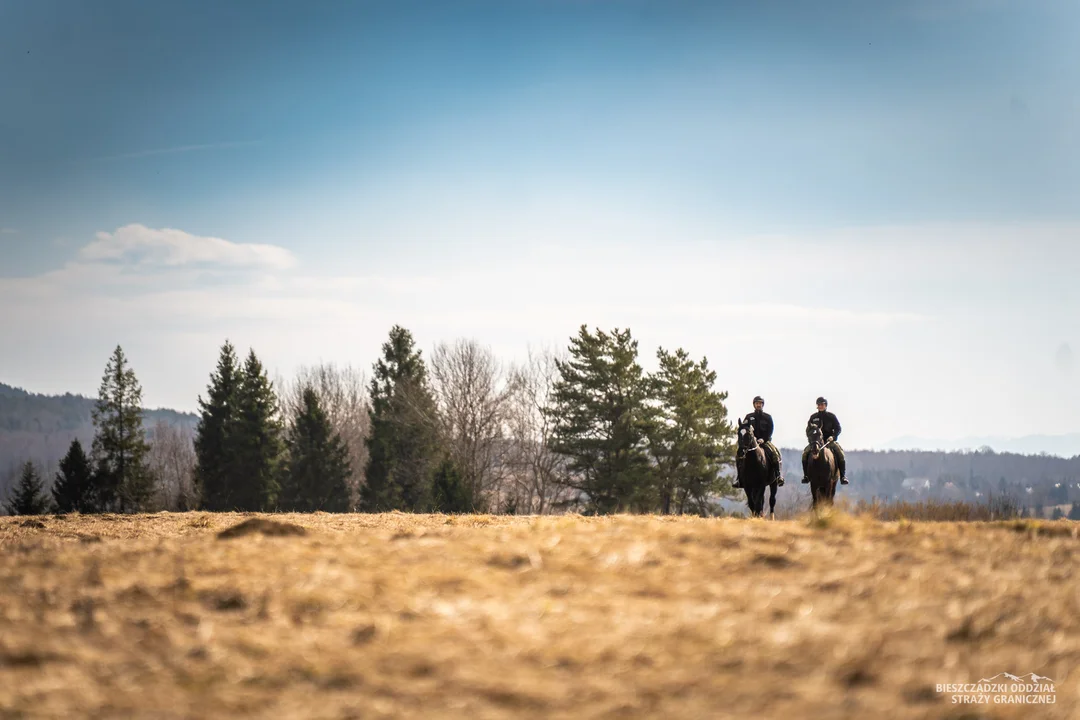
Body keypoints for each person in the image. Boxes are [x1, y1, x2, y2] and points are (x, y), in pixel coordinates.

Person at [733, 396, 784, 488]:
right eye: (757, 403)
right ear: (754, 405)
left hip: (765, 441)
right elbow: (745, 428)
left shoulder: (767, 417)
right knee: (739, 456)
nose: (758, 405)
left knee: (775, 454)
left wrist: (764, 439)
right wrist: (751, 439)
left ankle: (778, 475)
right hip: (752, 443)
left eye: (760, 403)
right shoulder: (749, 417)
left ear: (762, 405)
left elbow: (770, 429)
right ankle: (739, 478)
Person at [802, 396, 847, 484]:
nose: (820, 406)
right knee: (805, 454)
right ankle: (806, 476)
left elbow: (838, 428)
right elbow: (808, 430)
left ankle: (842, 476)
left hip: (829, 441)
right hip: (816, 442)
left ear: (825, 405)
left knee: (840, 454)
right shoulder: (813, 417)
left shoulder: (831, 416)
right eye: (819, 405)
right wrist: (811, 440)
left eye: (822, 404)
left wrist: (833, 437)